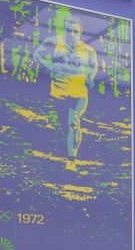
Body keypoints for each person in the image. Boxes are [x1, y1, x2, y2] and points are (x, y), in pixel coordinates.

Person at [35, 15, 98, 159]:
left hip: (79, 93)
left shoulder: (88, 50)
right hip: (59, 92)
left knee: (73, 123)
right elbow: (38, 55)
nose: (72, 34)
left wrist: (90, 78)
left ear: (81, 32)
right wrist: (50, 65)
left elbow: (94, 66)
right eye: (68, 31)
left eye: (75, 31)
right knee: (65, 125)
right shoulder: (54, 42)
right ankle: (69, 145)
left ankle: (72, 159)